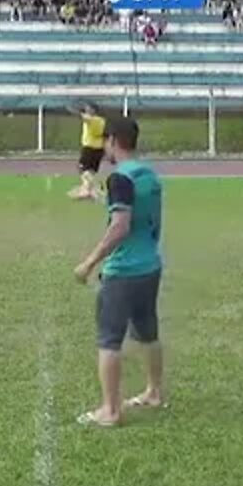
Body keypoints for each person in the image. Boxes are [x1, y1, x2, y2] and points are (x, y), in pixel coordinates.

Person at [73, 117, 165, 427]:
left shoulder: (120, 179)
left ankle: (110, 410)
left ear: (112, 140)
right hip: (150, 266)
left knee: (109, 339)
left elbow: (121, 227)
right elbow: (136, 211)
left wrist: (89, 262)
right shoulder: (147, 174)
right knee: (148, 332)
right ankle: (154, 392)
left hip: (123, 271)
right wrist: (101, 198)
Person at [69, 102, 107, 201]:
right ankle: (87, 190)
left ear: (93, 110)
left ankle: (95, 188)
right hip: (99, 149)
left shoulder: (92, 119)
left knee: (82, 168)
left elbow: (82, 117)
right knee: (91, 171)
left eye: (88, 108)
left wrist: (74, 110)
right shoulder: (102, 120)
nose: (86, 110)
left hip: (90, 147)